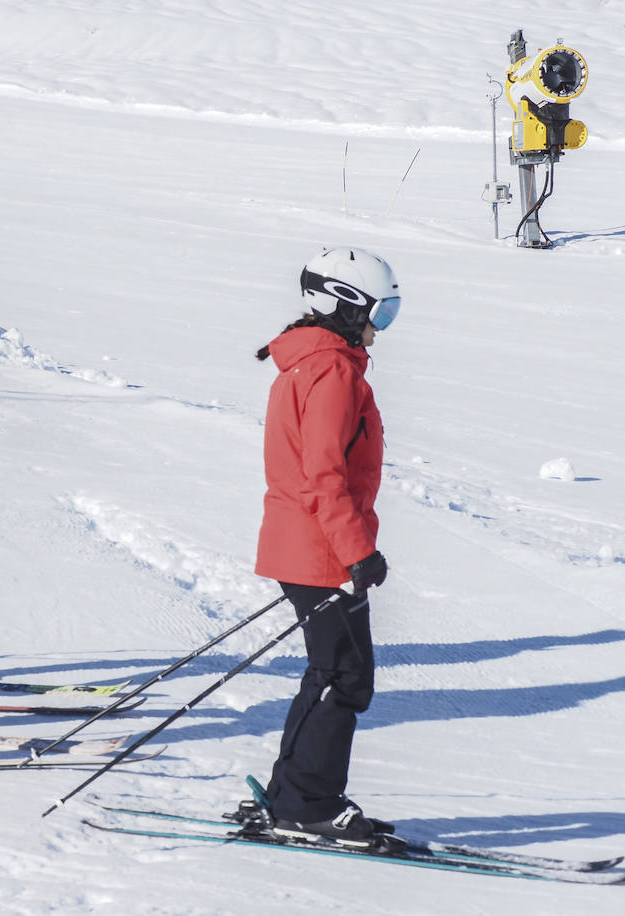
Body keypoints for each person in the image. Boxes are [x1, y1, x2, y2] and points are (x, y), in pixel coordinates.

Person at [252, 246, 399, 845]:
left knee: (333, 672)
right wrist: (356, 550)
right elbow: (325, 473)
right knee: (344, 676)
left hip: (310, 543)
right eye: (379, 314)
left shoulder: (315, 361)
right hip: (322, 548)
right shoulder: (331, 370)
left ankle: (295, 796)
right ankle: (308, 804)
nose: (379, 329)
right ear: (343, 304)